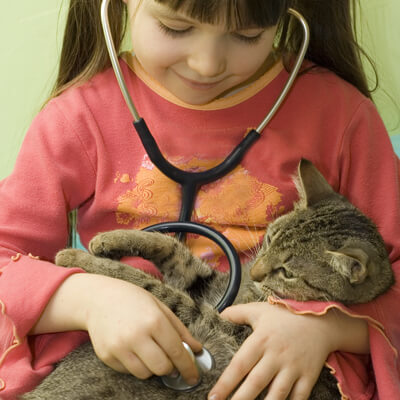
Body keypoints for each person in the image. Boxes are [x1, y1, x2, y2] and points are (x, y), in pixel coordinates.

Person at [0, 0, 399, 399]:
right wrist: (88, 300)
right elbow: (6, 259)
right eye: (175, 28)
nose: (207, 65)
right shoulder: (78, 117)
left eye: (246, 36)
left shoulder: (341, 116)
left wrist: (329, 328)